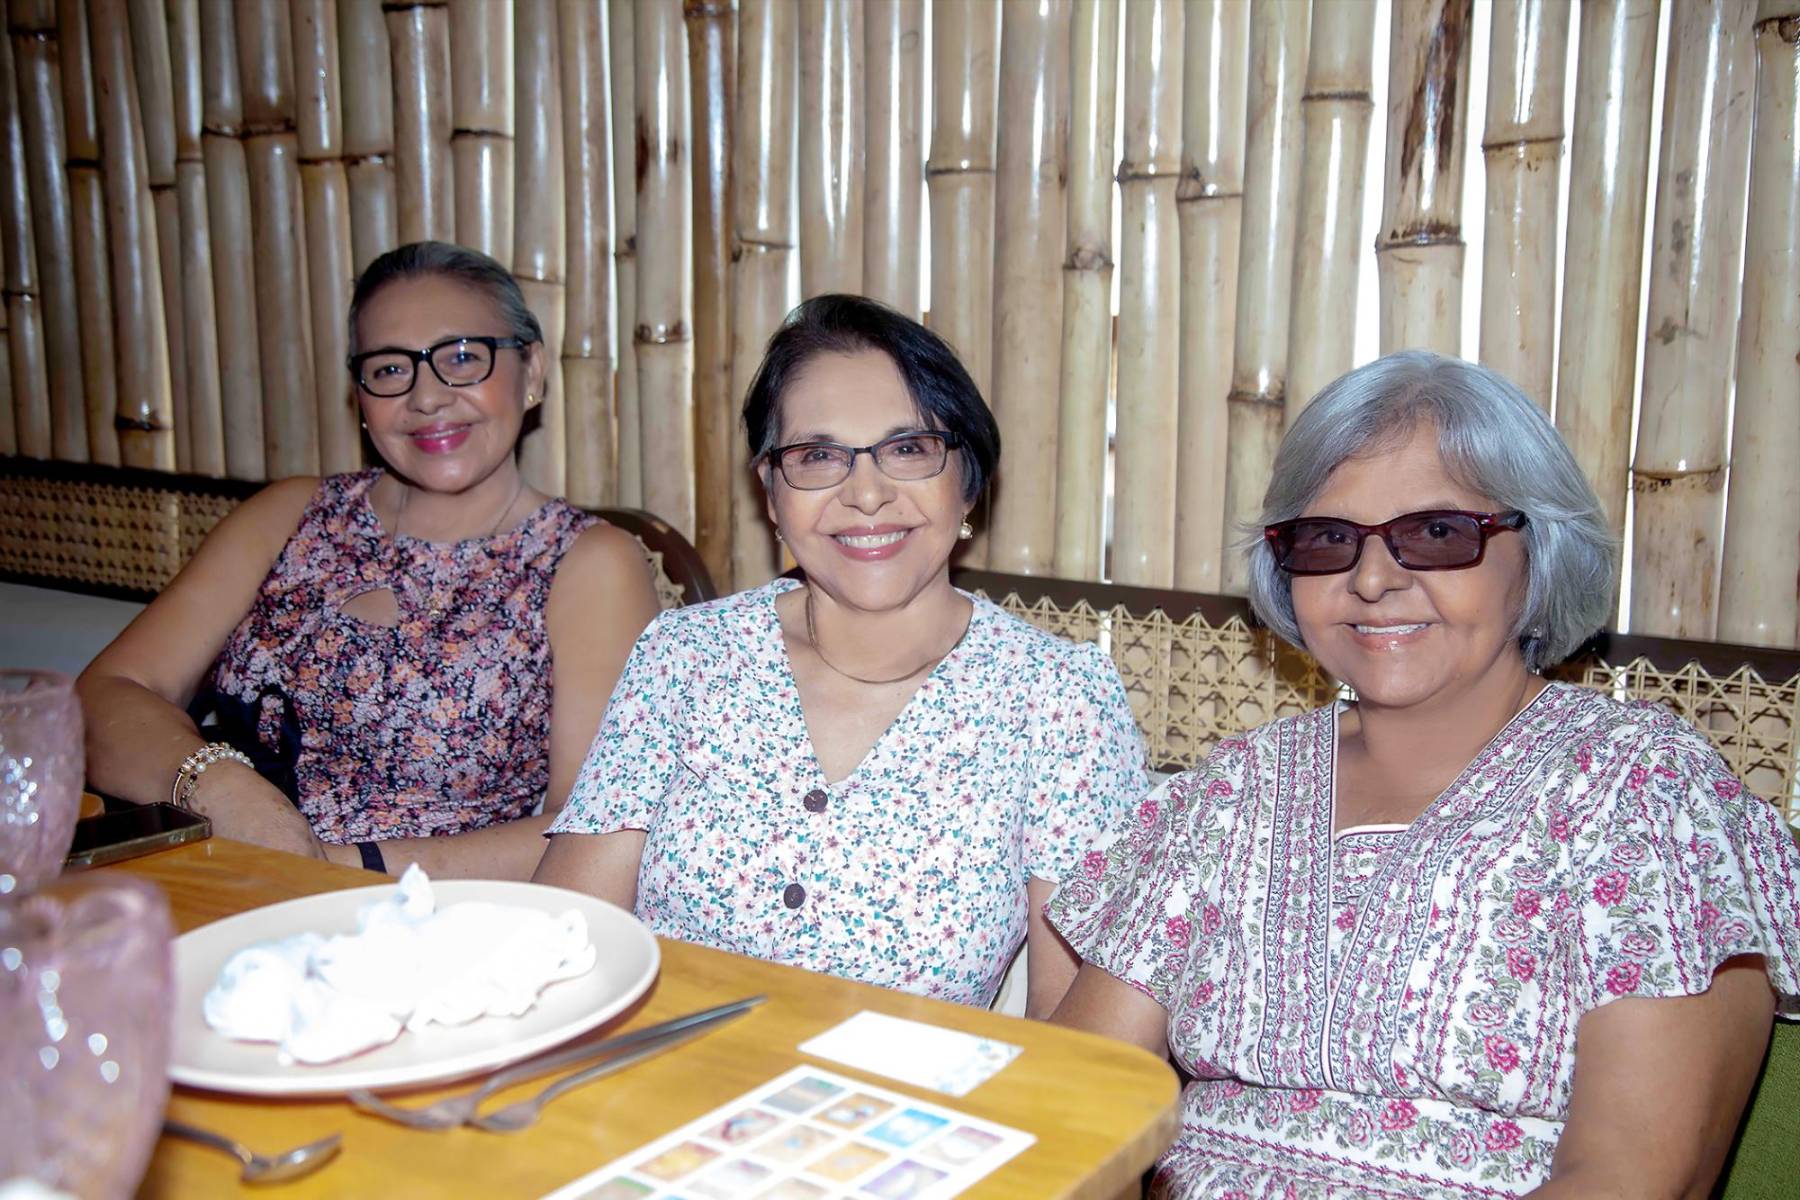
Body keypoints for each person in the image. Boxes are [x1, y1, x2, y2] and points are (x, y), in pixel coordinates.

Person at [1048, 351, 1800, 1197]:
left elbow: (1634, 1178)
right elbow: (1077, 1101)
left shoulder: (1639, 790)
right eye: (1328, 540)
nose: (1372, 580)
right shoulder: (1233, 789)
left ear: (1539, 549)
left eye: (1437, 534)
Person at [535, 294, 1147, 1015]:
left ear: (968, 483)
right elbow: (562, 948)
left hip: (908, 1117)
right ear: (771, 493)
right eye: (818, 456)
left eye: (908, 449)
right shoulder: (686, 658)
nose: (865, 493)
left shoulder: (1058, 702)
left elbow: (1073, 1045)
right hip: (651, 1088)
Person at [78, 242, 661, 880]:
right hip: (221, 883)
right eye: (389, 370)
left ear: (533, 373)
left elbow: (596, 827)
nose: (427, 398)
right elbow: (105, 696)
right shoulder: (289, 514)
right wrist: (219, 788)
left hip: (438, 928)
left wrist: (327, 865)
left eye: (463, 358)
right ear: (361, 396)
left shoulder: (587, 560)